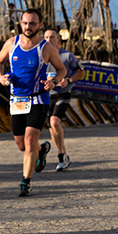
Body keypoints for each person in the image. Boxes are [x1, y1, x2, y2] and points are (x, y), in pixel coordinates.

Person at [0, 9, 66, 197]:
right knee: (21, 144)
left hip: (38, 99)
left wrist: (54, 82)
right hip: (17, 100)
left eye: (32, 23)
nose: (28, 27)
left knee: (29, 139)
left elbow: (61, 70)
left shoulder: (46, 48)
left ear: (40, 25)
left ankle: (26, 181)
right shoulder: (12, 43)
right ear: (21, 23)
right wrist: (1, 76)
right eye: (25, 23)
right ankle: (42, 150)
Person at [43, 29, 85, 170]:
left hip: (62, 94)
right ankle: (63, 154)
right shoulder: (41, 56)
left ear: (58, 40)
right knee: (51, 127)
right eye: (46, 37)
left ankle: (61, 156)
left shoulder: (67, 56)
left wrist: (68, 80)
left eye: (52, 37)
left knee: (54, 122)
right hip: (46, 95)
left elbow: (81, 72)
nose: (49, 40)